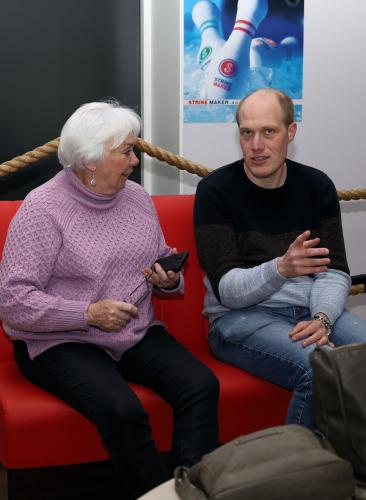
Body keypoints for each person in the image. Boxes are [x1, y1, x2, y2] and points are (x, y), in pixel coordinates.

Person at [0, 101, 219, 499]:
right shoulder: (42, 209)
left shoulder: (136, 198)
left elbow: (158, 255)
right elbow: (14, 302)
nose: (135, 160)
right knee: (123, 409)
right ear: (89, 160)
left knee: (200, 385)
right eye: (126, 152)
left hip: (133, 330)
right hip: (59, 340)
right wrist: (87, 314)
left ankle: (194, 489)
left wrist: (166, 279)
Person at [194, 87, 366, 429]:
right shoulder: (215, 190)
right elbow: (228, 291)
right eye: (247, 133)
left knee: (361, 359)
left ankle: (345, 463)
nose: (256, 145)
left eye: (268, 131)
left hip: (309, 310)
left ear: (291, 132)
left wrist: (322, 319)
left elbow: (333, 272)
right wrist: (281, 268)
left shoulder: (316, 186)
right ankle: (294, 474)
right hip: (239, 318)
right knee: (320, 369)